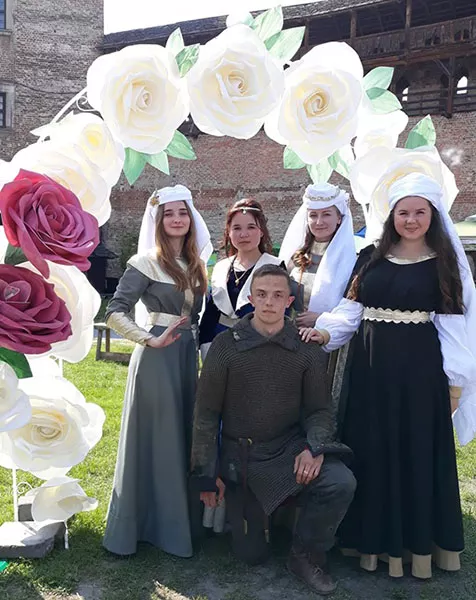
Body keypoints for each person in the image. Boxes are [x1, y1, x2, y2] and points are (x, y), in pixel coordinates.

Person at [301, 173, 476, 579]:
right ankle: (366, 542)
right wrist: (325, 332)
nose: (411, 220)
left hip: (418, 377)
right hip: (369, 372)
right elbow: (351, 310)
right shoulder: (371, 257)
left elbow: (453, 328)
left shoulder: (444, 264)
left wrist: (454, 384)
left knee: (412, 453)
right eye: (403, 212)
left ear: (433, 215)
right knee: (369, 448)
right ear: (392, 215)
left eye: (419, 212)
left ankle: (412, 546)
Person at [192, 264, 356, 595]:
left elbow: (320, 410)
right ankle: (268, 522)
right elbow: (206, 414)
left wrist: (314, 448)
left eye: (278, 295)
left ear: (289, 301)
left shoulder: (305, 348)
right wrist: (207, 476)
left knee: (339, 481)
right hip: (243, 458)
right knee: (250, 555)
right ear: (251, 299)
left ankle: (305, 554)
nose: (269, 302)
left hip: (289, 449)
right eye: (262, 294)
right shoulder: (226, 346)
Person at [103, 185, 212, 558]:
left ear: (191, 218)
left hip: (186, 358)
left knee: (183, 435)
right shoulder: (145, 262)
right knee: (158, 439)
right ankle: (147, 528)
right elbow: (114, 311)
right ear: (159, 220)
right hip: (156, 359)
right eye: (169, 214)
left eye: (182, 212)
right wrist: (149, 339)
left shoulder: (197, 264)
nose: (177, 219)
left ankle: (179, 524)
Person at [198, 198, 282, 355]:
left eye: (251, 227)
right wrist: (206, 347)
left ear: (261, 231)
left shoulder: (275, 267)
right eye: (237, 228)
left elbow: (282, 315)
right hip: (220, 345)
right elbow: (210, 316)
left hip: (260, 346)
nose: (244, 234)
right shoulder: (221, 268)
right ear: (229, 232)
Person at [279, 183, 356, 328]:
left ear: (339, 218)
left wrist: (321, 319)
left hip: (328, 333)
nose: (319, 222)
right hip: (290, 332)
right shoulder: (295, 257)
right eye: (313, 215)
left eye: (326, 214)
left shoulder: (352, 261)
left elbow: (354, 308)